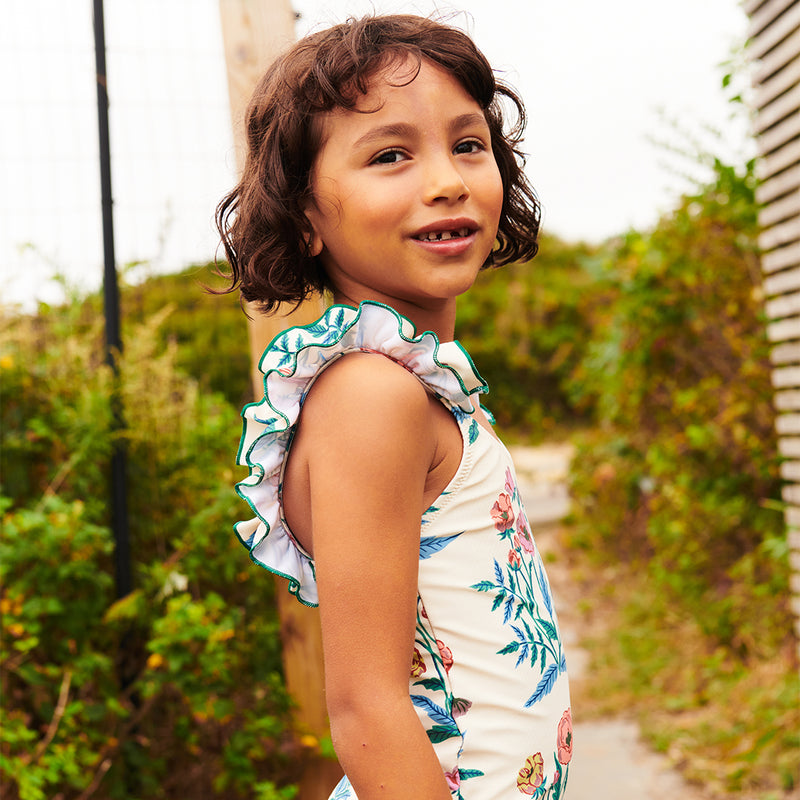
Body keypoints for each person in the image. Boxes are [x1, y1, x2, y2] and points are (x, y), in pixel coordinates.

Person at [217, 14, 572, 800]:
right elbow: (367, 706)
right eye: (390, 155)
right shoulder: (371, 396)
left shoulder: (412, 382)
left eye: (468, 143)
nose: (446, 179)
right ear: (305, 215)